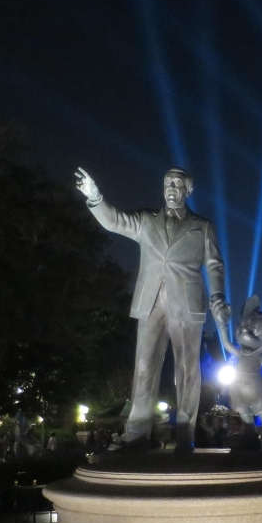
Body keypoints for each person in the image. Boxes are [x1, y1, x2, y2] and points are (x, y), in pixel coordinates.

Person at [76, 167, 230, 451]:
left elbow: (215, 264)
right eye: (167, 182)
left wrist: (218, 294)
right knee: (144, 367)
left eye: (177, 183)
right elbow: (115, 221)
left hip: (187, 303)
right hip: (151, 302)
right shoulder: (147, 220)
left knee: (187, 369)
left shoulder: (202, 226)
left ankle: (186, 433)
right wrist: (96, 198)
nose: (171, 187)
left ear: (187, 190)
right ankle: (136, 435)